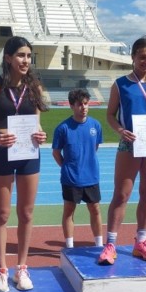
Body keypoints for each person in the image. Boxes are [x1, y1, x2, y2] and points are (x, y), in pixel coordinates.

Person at [0, 36, 48, 292]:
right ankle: (2, 270)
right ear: (8, 58)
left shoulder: (34, 88)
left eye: (28, 55)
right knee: (2, 214)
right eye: (20, 55)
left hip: (29, 152)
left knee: (26, 213)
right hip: (2, 153)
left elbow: (37, 124)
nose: (25, 60)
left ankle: (22, 267)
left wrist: (41, 135)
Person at [97, 37, 146, 266]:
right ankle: (110, 245)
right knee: (121, 195)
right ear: (133, 58)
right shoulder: (120, 84)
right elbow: (110, 114)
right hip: (130, 144)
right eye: (142, 57)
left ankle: (141, 243)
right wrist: (120, 130)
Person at [52, 88, 104, 249]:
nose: (84, 107)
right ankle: (69, 246)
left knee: (95, 209)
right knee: (69, 210)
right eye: (80, 104)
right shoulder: (63, 128)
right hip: (71, 178)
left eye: (86, 104)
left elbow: (94, 147)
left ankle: (99, 245)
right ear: (72, 106)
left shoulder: (96, 125)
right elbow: (56, 153)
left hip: (91, 176)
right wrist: (68, 167)